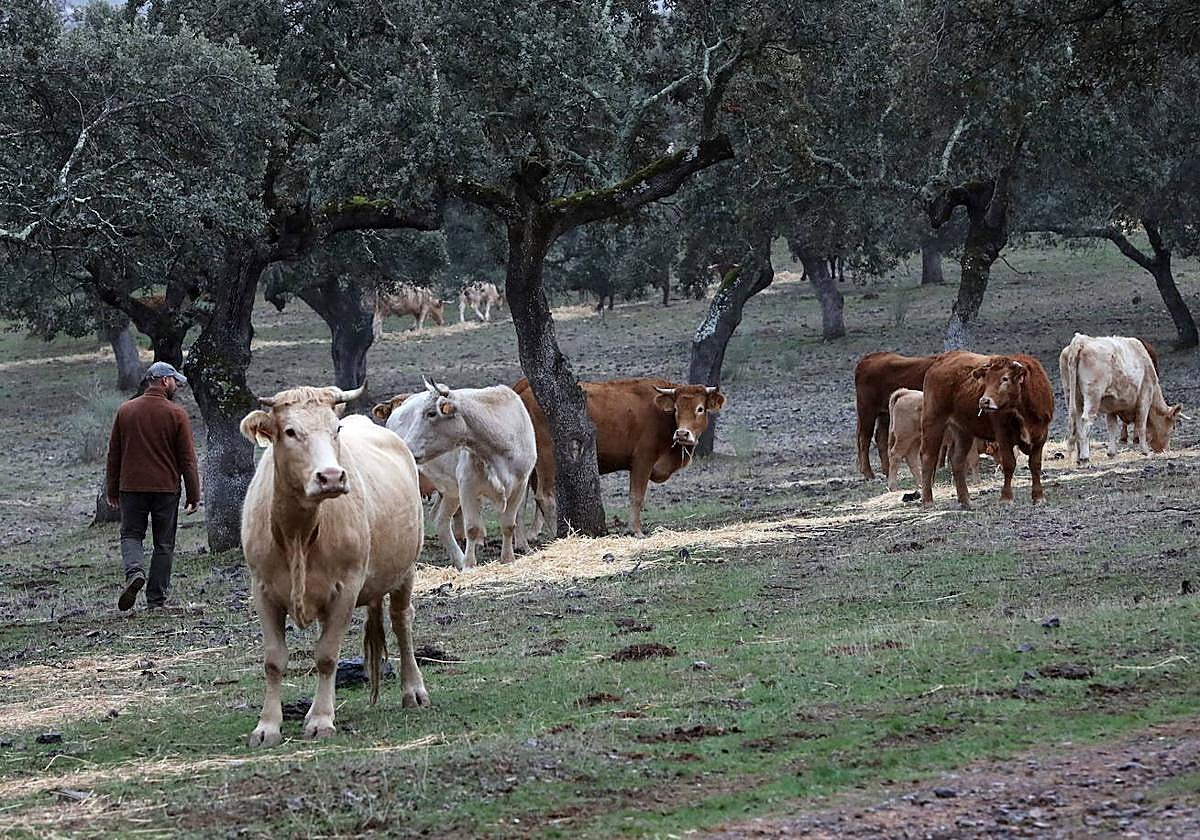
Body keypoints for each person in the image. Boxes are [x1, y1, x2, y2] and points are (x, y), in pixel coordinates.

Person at [105, 361, 201, 611]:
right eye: (174, 381)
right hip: (165, 488)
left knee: (131, 534)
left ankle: (135, 572)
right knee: (164, 543)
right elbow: (187, 459)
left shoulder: (125, 410)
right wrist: (194, 494)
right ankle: (156, 600)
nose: (176, 385)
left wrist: (112, 489)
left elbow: (114, 454)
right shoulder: (176, 414)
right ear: (164, 381)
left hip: (131, 487)